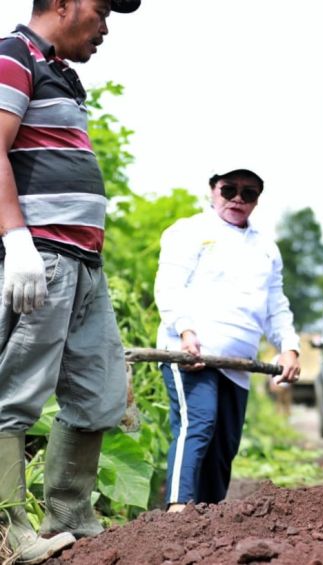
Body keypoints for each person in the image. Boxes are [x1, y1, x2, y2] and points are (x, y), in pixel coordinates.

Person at [0, 1, 140, 562]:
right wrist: (16, 240)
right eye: (101, 10)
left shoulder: (57, 72)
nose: (105, 27)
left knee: (99, 393)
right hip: (42, 258)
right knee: (15, 394)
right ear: (62, 3)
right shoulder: (14, 56)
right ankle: (11, 528)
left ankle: (70, 513)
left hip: (84, 263)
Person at [154, 167, 301, 511]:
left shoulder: (266, 247)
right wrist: (186, 331)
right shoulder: (188, 231)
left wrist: (289, 347)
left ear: (258, 199)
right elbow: (169, 286)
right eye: (229, 189)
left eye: (248, 192)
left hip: (238, 364)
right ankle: (177, 509)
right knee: (198, 423)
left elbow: (276, 305)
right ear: (212, 189)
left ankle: (208, 519)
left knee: (224, 445)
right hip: (191, 353)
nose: (237, 198)